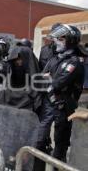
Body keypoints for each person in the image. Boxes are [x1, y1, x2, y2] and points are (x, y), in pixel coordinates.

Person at [35, 24, 85, 170]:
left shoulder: (75, 62)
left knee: (60, 145)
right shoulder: (55, 58)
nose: (56, 41)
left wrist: (49, 79)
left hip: (63, 108)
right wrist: (48, 78)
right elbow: (40, 78)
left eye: (60, 38)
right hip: (48, 104)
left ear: (69, 40)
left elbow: (57, 83)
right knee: (40, 139)